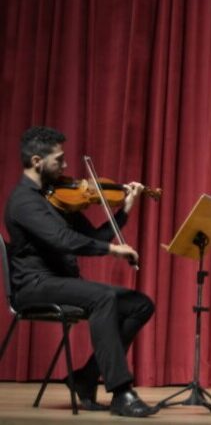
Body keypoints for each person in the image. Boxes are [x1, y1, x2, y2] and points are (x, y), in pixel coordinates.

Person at [3, 126, 156, 417]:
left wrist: (124, 210)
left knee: (140, 304)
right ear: (37, 161)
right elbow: (64, 241)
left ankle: (85, 379)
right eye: (59, 160)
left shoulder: (56, 198)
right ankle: (121, 393)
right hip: (34, 285)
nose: (66, 166)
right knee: (102, 298)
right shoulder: (24, 202)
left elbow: (96, 238)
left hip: (61, 282)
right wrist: (114, 251)